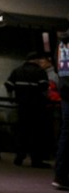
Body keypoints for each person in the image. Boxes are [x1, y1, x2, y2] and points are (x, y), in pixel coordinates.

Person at [5, 52, 52, 169]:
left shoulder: (17, 71)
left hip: (21, 107)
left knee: (22, 131)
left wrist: (12, 99)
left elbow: (8, 86)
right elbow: (44, 89)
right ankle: (36, 160)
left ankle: (19, 157)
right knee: (36, 134)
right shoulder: (40, 72)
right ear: (35, 60)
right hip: (36, 108)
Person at [53, 32, 69, 190]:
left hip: (65, 90)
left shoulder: (62, 43)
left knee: (66, 133)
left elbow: (59, 67)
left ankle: (60, 174)